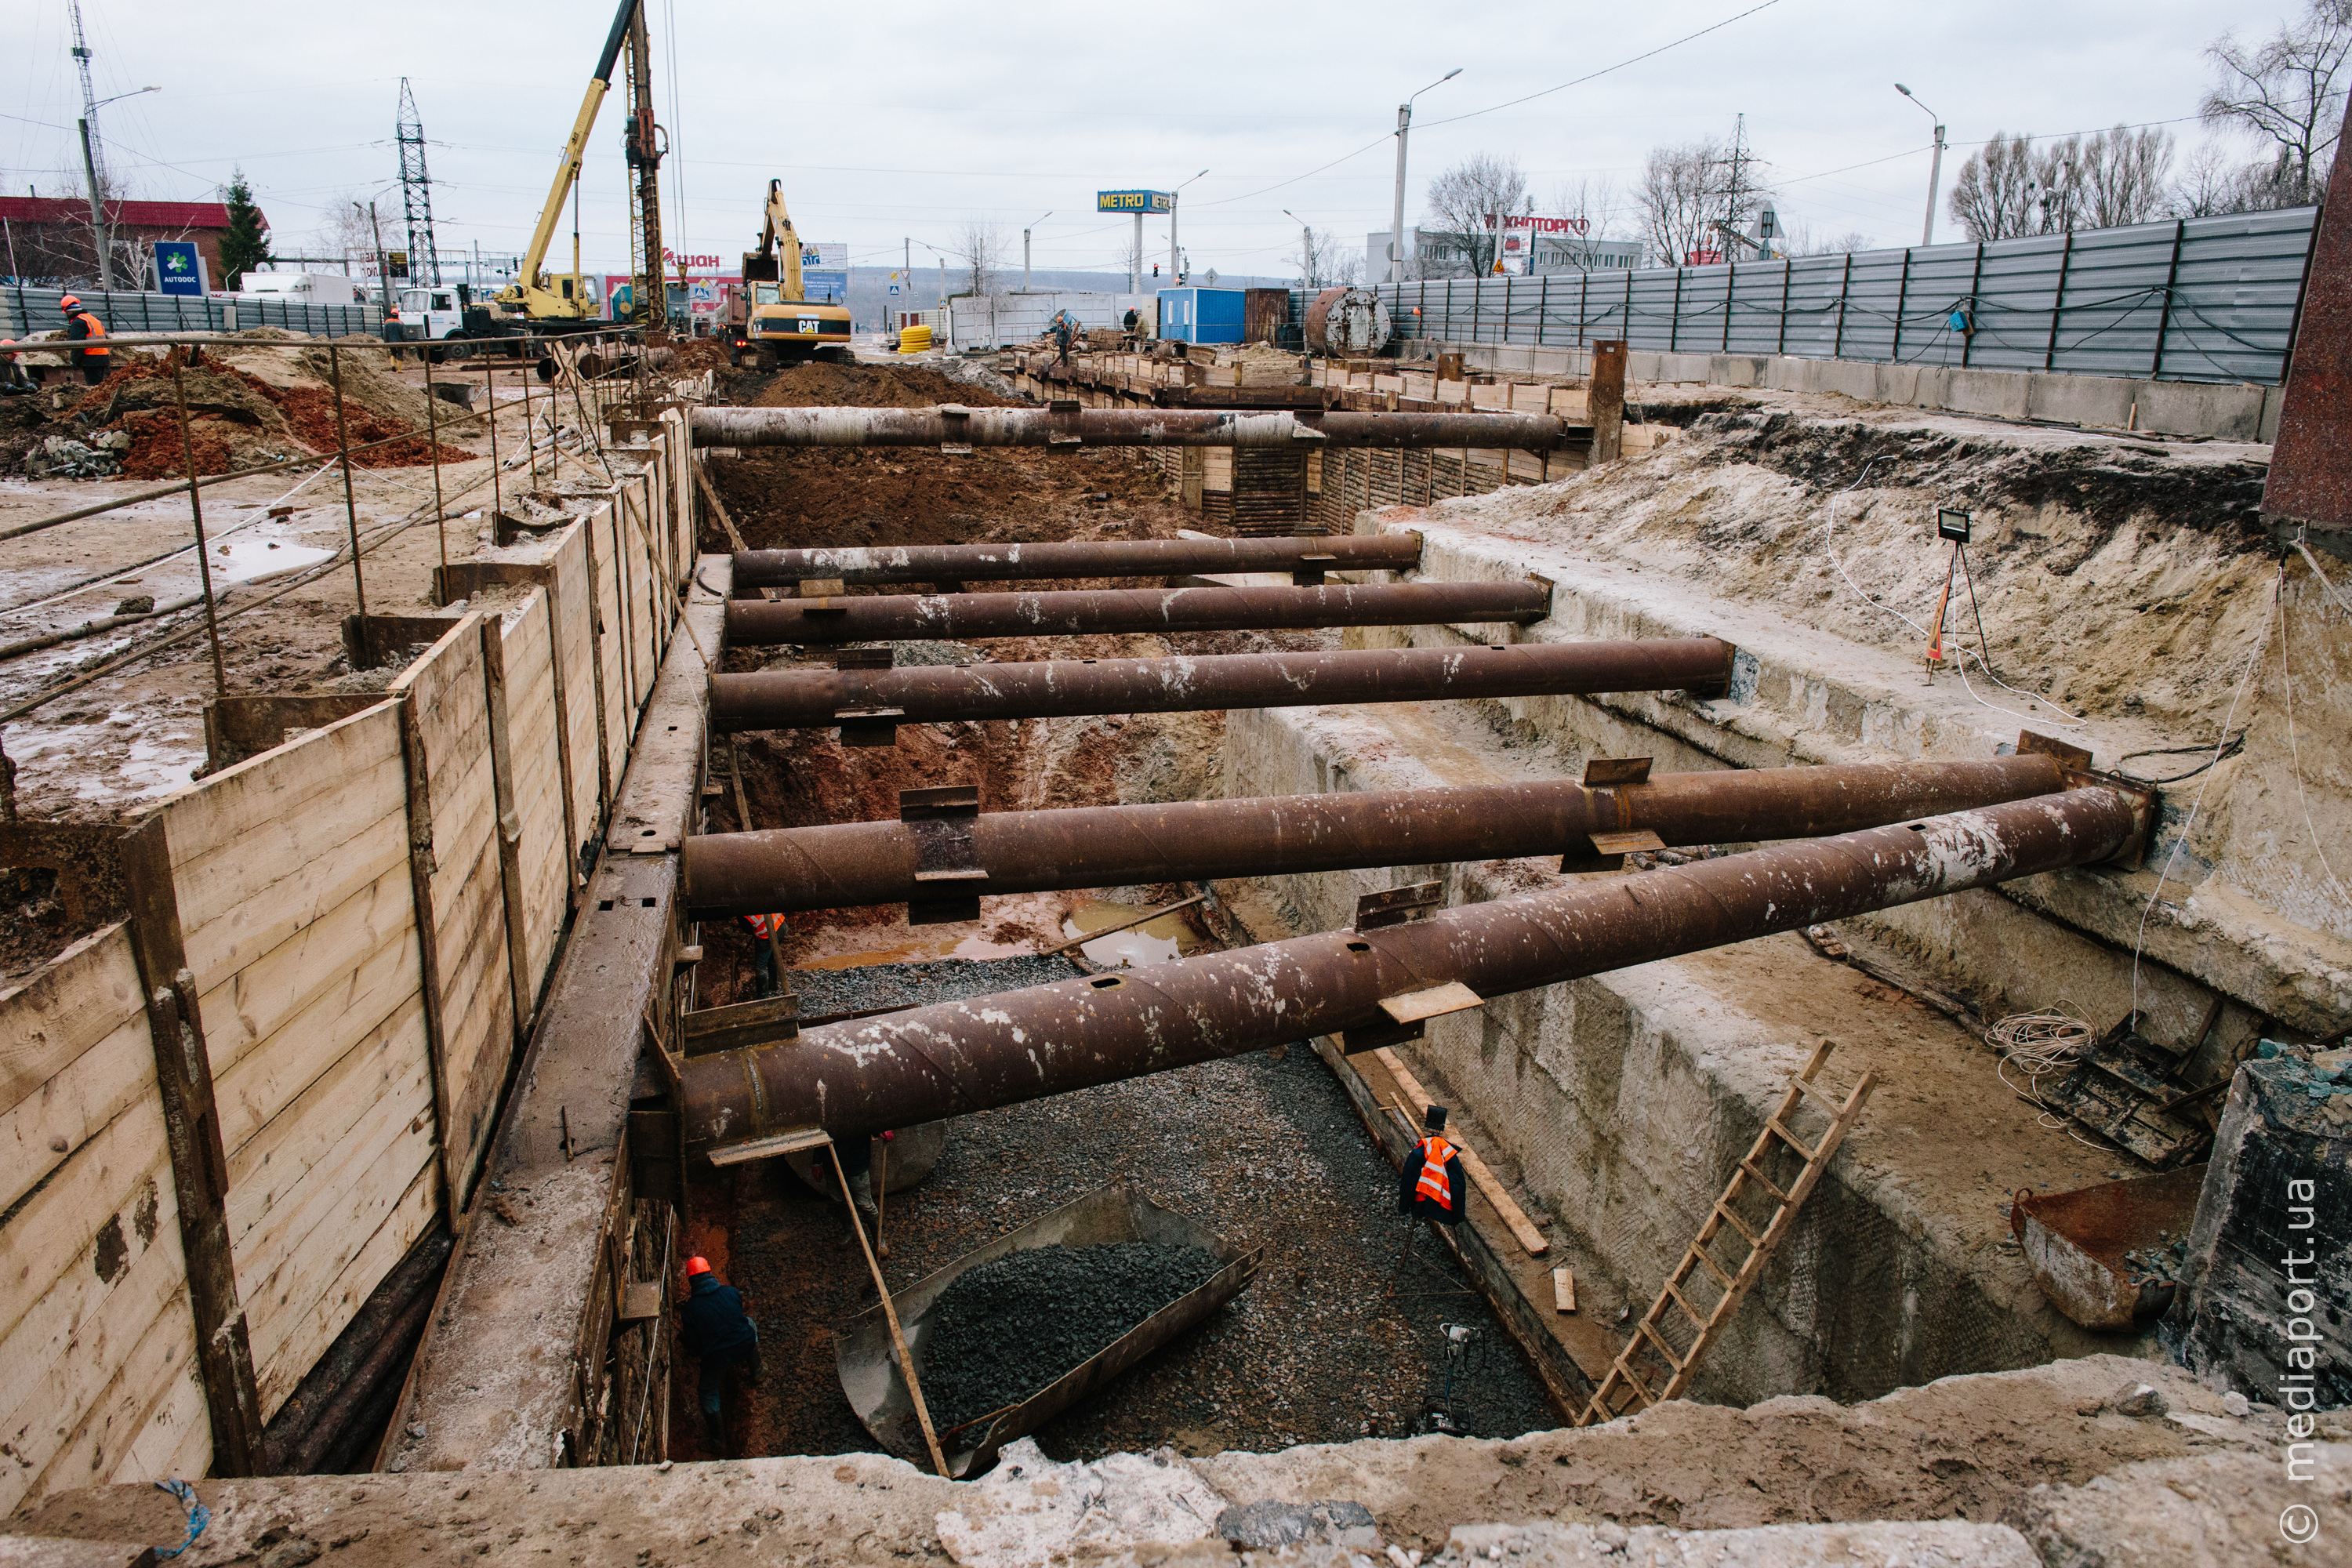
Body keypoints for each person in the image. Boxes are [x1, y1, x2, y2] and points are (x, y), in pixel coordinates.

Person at [677, 1256, 760, 1454]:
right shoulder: (731, 1293)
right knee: (749, 1324)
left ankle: (718, 1441)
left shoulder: (690, 1309)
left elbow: (694, 1344)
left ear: (691, 1281)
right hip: (744, 1345)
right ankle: (758, 1370)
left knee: (707, 1392)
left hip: (716, 1359)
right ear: (710, 1273)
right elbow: (736, 1319)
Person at [1396, 1104, 1468, 1225]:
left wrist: (1404, 1207)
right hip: (1443, 1206)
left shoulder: (1421, 1151)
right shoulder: (1449, 1153)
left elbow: (1408, 1180)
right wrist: (1458, 1215)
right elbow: (1459, 1184)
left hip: (1422, 1201)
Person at [60, 295, 109, 386]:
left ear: (69, 311)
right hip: (103, 356)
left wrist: (75, 360)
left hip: (91, 358)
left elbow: (77, 344)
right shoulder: (92, 319)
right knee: (99, 385)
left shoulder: (78, 322)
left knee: (93, 386)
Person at [742, 912, 784, 998]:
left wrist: (755, 931)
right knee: (773, 958)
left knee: (760, 967)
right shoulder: (752, 898)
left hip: (766, 935)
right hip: (781, 926)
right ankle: (773, 986)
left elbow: (747, 929)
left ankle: (762, 997)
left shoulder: (740, 912)